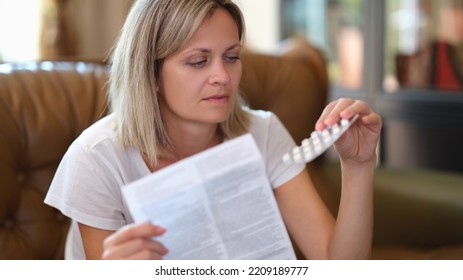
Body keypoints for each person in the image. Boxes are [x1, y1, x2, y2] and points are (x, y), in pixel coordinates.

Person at [45, 0, 382, 260]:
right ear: (150, 73)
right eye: (198, 61)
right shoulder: (96, 157)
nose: (222, 76)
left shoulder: (262, 132)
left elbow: (337, 265)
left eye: (232, 57)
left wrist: (359, 165)